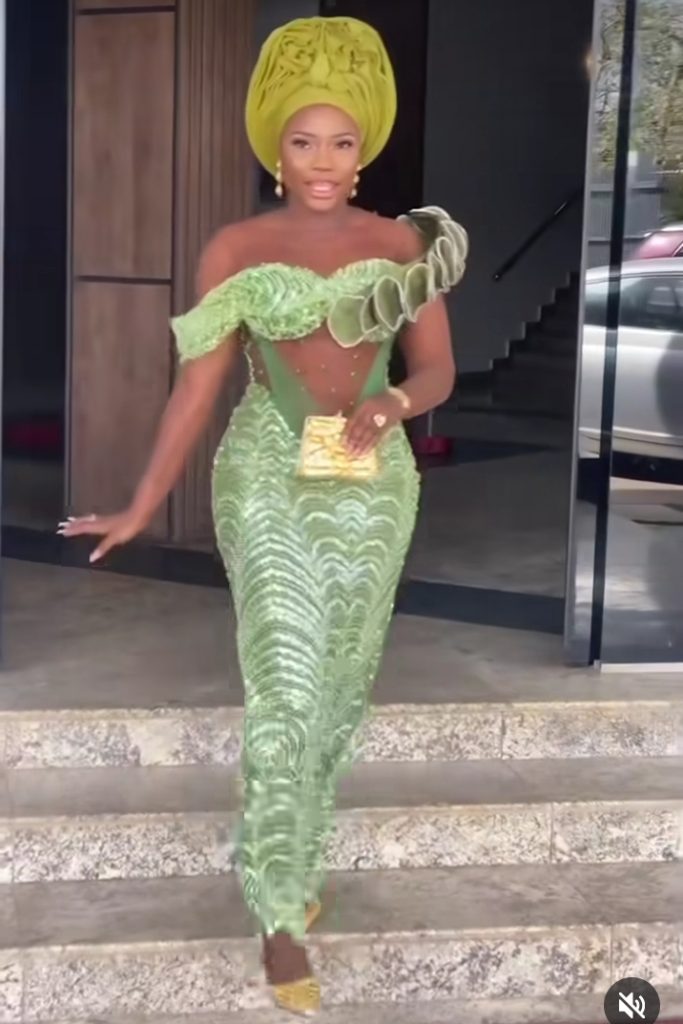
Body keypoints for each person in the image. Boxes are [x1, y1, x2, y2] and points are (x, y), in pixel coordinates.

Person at [60, 15, 467, 1017]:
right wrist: (143, 502)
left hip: (371, 482)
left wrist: (394, 403)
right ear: (273, 150)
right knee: (284, 678)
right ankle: (278, 914)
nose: (322, 161)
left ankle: (293, 845)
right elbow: (196, 390)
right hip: (265, 478)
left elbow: (436, 370)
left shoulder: (404, 245)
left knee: (337, 688)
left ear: (362, 150)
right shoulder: (236, 247)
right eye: (302, 140)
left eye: (340, 141)